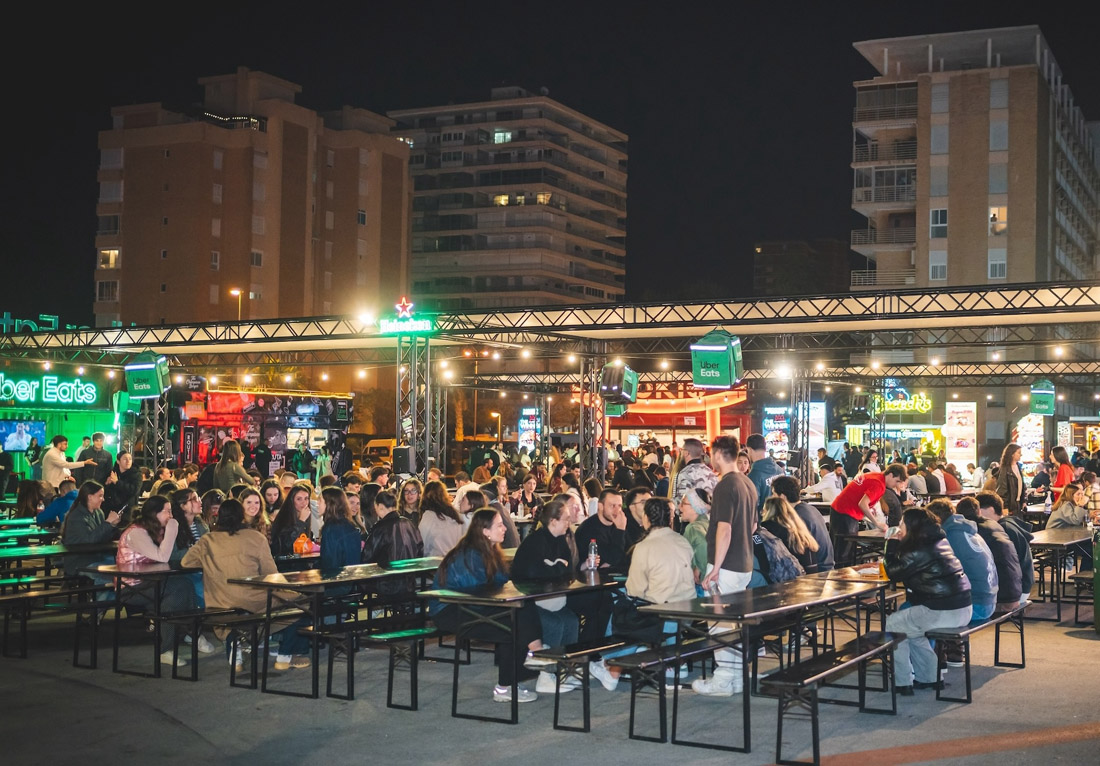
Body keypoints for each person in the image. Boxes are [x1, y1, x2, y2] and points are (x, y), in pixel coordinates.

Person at [427, 509, 545, 703]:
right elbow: (475, 592)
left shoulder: (489, 552)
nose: (505, 528)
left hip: (472, 605)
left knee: (523, 607)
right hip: (450, 609)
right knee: (512, 626)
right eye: (499, 525)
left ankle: (532, 655)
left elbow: (498, 583)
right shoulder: (469, 555)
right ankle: (506, 686)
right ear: (485, 531)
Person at [181, 498, 312, 672]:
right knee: (302, 603)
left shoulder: (207, 540)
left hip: (220, 600)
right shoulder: (255, 537)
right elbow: (271, 573)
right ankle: (284, 656)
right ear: (242, 516)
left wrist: (209, 563)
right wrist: (288, 591)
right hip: (253, 598)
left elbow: (186, 563)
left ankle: (236, 654)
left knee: (234, 617)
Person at [692, 434, 757, 697]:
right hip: (744, 563)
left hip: (726, 565)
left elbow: (724, 529)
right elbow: (752, 526)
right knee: (733, 624)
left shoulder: (724, 486)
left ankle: (723, 680)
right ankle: (736, 677)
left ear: (718, 453)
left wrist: (715, 567)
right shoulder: (747, 484)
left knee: (719, 624)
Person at [884, 507, 973, 696]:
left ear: (912, 526)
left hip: (944, 611)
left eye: (902, 523)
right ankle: (930, 677)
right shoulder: (940, 541)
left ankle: (902, 682)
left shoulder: (919, 549)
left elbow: (893, 572)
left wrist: (890, 545)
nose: (899, 527)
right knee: (912, 631)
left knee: (893, 623)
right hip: (962, 607)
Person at [115, 495, 201, 666]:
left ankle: (188, 634)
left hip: (152, 582)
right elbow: (163, 557)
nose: (170, 515)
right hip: (131, 587)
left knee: (184, 585)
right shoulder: (136, 532)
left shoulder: (154, 530)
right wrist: (172, 529)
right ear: (154, 513)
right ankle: (173, 643)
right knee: (176, 591)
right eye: (167, 511)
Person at [510, 496, 583, 695]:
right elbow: (536, 573)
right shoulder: (534, 542)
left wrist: (556, 567)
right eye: (565, 519)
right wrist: (557, 567)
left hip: (554, 599)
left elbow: (568, 569)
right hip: (530, 603)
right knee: (555, 624)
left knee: (571, 621)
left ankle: (565, 669)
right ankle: (546, 674)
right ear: (553, 521)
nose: (569, 523)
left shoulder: (561, 541)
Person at [925, 500, 997, 622]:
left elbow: (937, 573)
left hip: (975, 605)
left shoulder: (949, 538)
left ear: (935, 520)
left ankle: (933, 641)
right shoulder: (968, 531)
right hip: (989, 600)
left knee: (912, 611)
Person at [955, 497, 1023, 613]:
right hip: (1015, 593)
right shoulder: (995, 525)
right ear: (979, 512)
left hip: (999, 600)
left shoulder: (971, 532)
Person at [829, 463, 905, 566]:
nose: (896, 485)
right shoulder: (878, 484)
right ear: (890, 475)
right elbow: (863, 504)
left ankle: (839, 576)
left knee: (839, 549)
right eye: (897, 481)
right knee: (843, 554)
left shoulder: (875, 476)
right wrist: (877, 523)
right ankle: (840, 578)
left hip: (840, 510)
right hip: (846, 513)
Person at [975, 492, 1033, 605]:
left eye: (980, 512)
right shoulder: (1009, 524)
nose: (978, 516)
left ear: (991, 510)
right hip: (1025, 584)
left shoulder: (1002, 529)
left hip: (1018, 591)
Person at [772, 475, 834, 573]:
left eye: (774, 494)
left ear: (782, 497)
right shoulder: (811, 509)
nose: (772, 498)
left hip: (818, 573)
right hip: (827, 566)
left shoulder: (796, 517)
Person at [60, 480, 121, 577]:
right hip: (79, 561)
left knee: (123, 565)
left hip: (95, 557)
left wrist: (112, 525)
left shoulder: (98, 512)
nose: (103, 499)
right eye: (100, 496)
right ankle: (104, 592)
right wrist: (107, 522)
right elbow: (89, 540)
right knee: (111, 574)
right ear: (90, 497)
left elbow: (103, 538)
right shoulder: (76, 517)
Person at [760, 495, 821, 574]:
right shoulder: (799, 529)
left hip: (791, 579)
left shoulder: (768, 528)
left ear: (768, 511)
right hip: (811, 576)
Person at [573, 489, 628, 574]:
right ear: (601, 506)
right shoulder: (589, 529)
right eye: (612, 506)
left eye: (619, 506)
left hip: (614, 576)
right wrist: (620, 530)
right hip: (590, 578)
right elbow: (612, 558)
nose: (617, 511)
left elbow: (628, 554)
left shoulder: (619, 523)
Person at [418, 480, 465, 557]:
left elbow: (423, 543)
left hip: (435, 562)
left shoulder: (429, 516)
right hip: (454, 560)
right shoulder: (455, 515)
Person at [318, 486, 361, 569]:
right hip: (352, 576)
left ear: (329, 503)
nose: (317, 503)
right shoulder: (349, 525)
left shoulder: (330, 529)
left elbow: (330, 561)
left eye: (320, 500)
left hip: (337, 578)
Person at [678, 488, 711, 586]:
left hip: (701, 582)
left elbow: (704, 545)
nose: (679, 507)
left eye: (683, 503)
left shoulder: (693, 528)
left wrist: (699, 568)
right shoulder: (708, 523)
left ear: (695, 507)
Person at [671, 438, 717, 505]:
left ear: (686, 453)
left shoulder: (685, 474)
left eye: (682, 450)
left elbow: (680, 502)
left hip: (691, 514)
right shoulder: (711, 473)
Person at [745, 433, 783, 512]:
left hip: (763, 521)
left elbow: (753, 506)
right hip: (782, 519)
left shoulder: (754, 476)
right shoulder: (779, 470)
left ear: (750, 450)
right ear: (765, 448)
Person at [103, 450, 142, 524]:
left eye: (130, 459)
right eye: (125, 459)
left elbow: (134, 490)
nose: (128, 461)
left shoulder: (136, 474)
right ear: (118, 461)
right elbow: (106, 491)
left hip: (128, 510)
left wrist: (117, 482)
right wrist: (107, 484)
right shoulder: (113, 473)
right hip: (112, 509)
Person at [995, 443, 1027, 514]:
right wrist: (1004, 506)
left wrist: (1024, 501)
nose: (1020, 455)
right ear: (1012, 454)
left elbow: (1022, 485)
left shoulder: (1018, 466)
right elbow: (1002, 489)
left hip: (1018, 504)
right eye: (1018, 453)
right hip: (1010, 505)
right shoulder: (1005, 469)